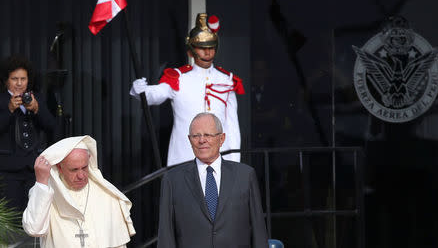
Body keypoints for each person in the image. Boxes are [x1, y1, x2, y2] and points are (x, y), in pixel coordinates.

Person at [130, 13, 244, 166]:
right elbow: (155, 95)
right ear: (191, 51)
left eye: (211, 48)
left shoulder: (226, 80)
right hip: (184, 158)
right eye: (202, 48)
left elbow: (232, 126)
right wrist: (141, 90)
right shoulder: (179, 78)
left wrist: (234, 163)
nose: (207, 53)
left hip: (219, 160)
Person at [157, 112, 268, 248]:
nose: (202, 140)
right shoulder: (172, 180)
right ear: (189, 140)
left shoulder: (245, 176)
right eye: (196, 136)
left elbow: (259, 232)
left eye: (208, 135)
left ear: (221, 139)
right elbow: (166, 236)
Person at [22, 135, 135, 248]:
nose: (81, 176)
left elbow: (119, 244)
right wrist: (41, 182)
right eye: (74, 169)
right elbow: (34, 229)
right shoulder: (44, 192)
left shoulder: (108, 196)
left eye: (84, 167)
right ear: (59, 167)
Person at [0, 54, 56, 210]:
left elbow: (51, 126)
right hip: (7, 170)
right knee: (13, 219)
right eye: (14, 79)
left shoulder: (37, 98)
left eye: (23, 79)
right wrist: (9, 110)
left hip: (33, 168)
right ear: (6, 81)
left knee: (34, 214)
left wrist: (37, 109)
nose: (19, 83)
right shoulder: (1, 99)